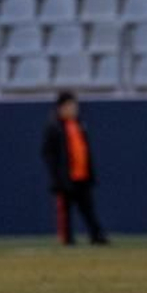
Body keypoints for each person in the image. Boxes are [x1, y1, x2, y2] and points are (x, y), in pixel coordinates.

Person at [41, 91, 108, 246]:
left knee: (88, 209)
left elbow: (84, 149)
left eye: (74, 106)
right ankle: (67, 239)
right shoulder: (55, 126)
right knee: (65, 211)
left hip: (82, 174)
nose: (74, 109)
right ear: (61, 107)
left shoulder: (79, 124)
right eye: (70, 106)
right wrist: (57, 176)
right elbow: (48, 153)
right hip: (66, 177)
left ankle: (97, 236)